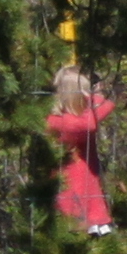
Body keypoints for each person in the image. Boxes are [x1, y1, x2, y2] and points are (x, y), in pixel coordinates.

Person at [49, 57, 115, 237]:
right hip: (71, 196)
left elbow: (106, 107)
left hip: (88, 192)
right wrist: (95, 96)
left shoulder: (78, 117)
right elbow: (90, 122)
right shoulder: (59, 122)